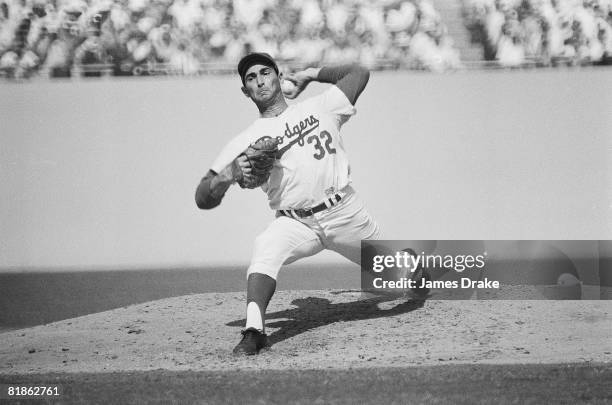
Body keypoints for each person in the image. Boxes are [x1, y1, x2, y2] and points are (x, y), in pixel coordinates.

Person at [195, 52, 382, 356]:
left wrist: (311, 74)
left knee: (401, 274)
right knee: (265, 247)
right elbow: (202, 197)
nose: (259, 80)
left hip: (344, 213)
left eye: (265, 72)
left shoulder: (322, 105)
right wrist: (226, 176)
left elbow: (359, 72)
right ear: (246, 91)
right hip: (296, 222)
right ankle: (254, 331)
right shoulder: (244, 140)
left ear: (279, 78)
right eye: (251, 78)